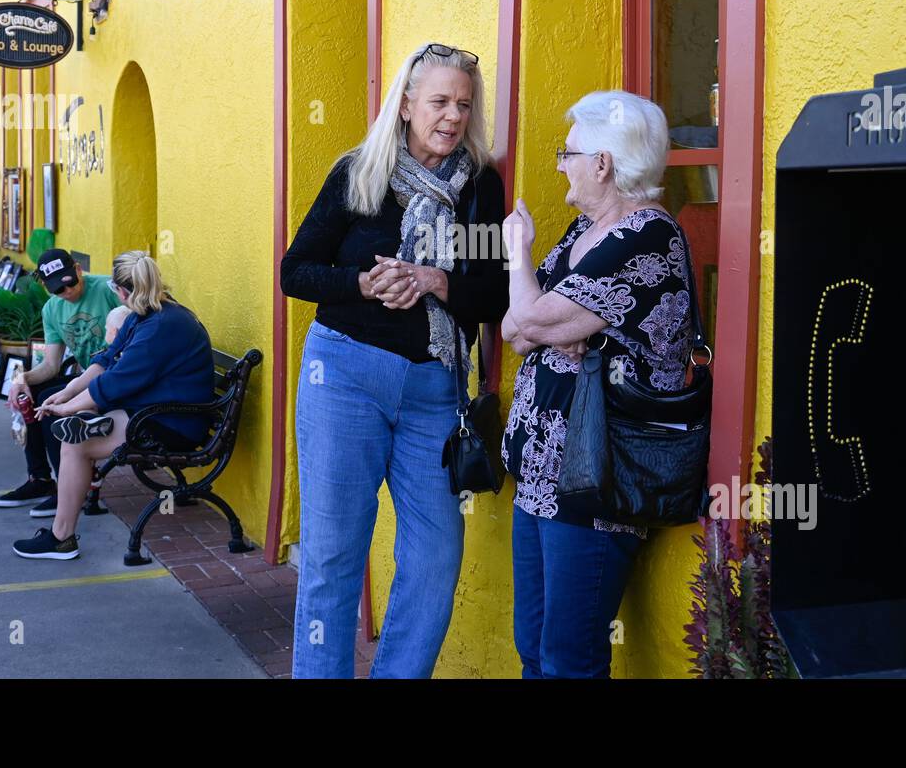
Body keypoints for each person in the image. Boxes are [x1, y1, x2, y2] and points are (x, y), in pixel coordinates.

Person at [280, 42, 508, 678]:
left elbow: (495, 293)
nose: (452, 116)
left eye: (464, 104)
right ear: (406, 104)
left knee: (436, 556)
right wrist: (363, 283)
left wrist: (436, 280)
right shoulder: (361, 173)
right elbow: (295, 271)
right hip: (345, 376)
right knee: (332, 555)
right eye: (438, 101)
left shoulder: (480, 187)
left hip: (435, 389)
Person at [500, 90, 696, 678]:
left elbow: (529, 315)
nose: (562, 164)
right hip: (540, 474)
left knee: (570, 661)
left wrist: (518, 257)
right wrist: (544, 320)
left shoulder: (645, 238)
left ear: (603, 163)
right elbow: (515, 330)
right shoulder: (581, 232)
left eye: (569, 153)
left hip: (593, 481)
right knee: (534, 649)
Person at [12, 251, 215, 560]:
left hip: (175, 422)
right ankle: (66, 517)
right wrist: (66, 394)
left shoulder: (160, 325)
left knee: (76, 441)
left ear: (120, 291)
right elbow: (104, 361)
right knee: (78, 429)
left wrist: (68, 408)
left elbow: (116, 380)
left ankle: (61, 538)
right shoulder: (146, 315)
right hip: (153, 410)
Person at [0, 248, 119, 516]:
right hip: (89, 376)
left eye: (70, 282)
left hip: (115, 378)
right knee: (31, 393)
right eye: (57, 289)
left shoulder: (108, 289)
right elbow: (50, 365)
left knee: (49, 401)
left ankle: (69, 488)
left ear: (77, 269)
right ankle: (40, 479)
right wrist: (21, 379)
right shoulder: (52, 309)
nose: (67, 292)